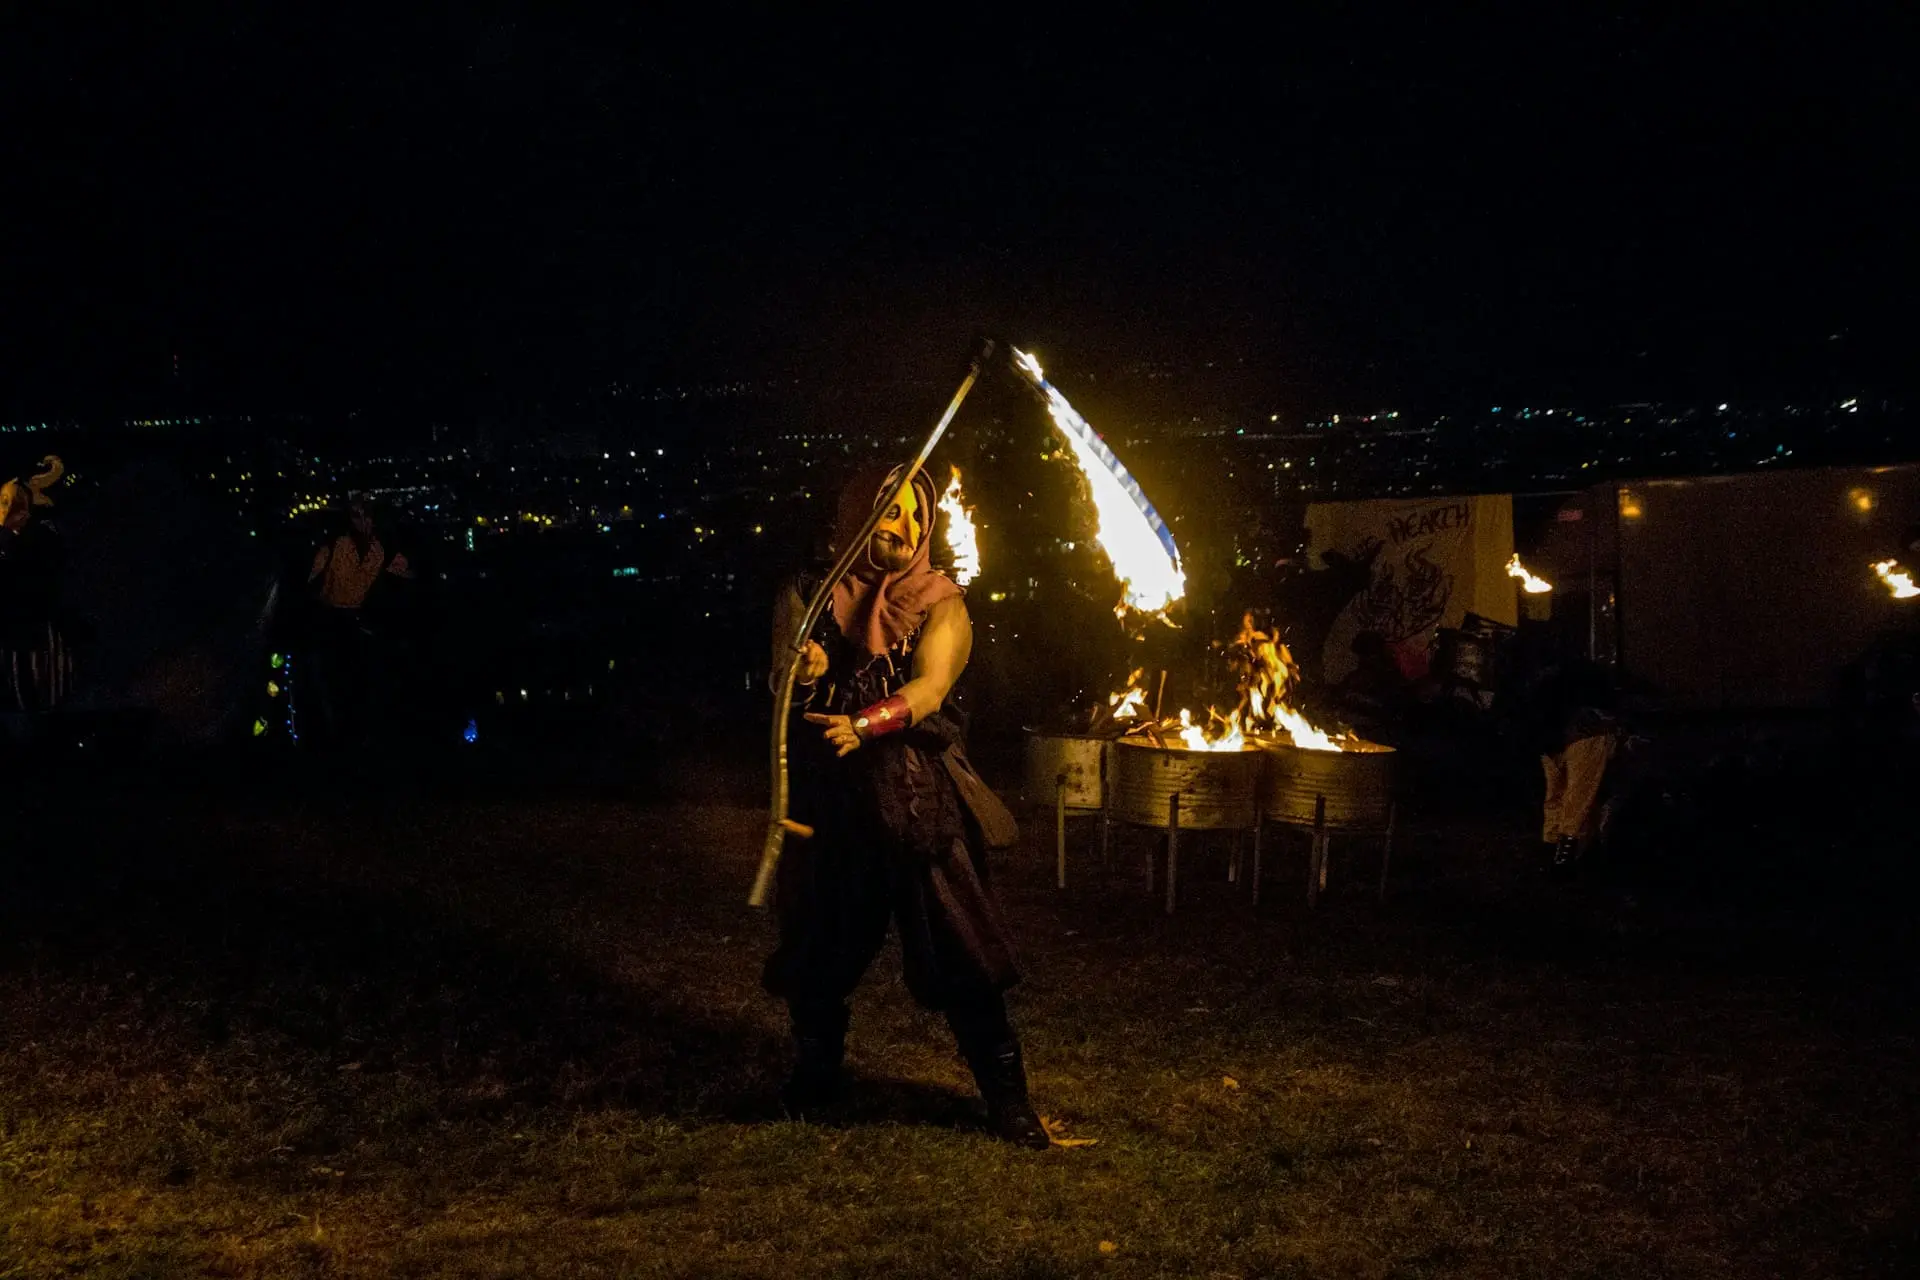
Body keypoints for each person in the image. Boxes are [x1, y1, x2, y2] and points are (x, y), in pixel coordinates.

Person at [762, 464, 1046, 1148]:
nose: (902, 526)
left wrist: (864, 723)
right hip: (830, 802)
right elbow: (780, 681)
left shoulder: (942, 602)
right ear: (856, 511)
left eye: (915, 515)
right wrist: (802, 675)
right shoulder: (808, 591)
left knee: (962, 950)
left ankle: (1007, 1099)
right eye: (888, 511)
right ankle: (816, 1074)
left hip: (914, 799)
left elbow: (931, 686)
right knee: (818, 948)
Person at [304, 495, 411, 745]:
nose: (362, 520)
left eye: (366, 515)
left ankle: (356, 736)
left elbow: (406, 570)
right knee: (330, 681)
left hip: (355, 619)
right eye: (356, 515)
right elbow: (310, 572)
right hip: (329, 618)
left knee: (358, 682)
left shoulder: (379, 549)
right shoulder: (336, 545)